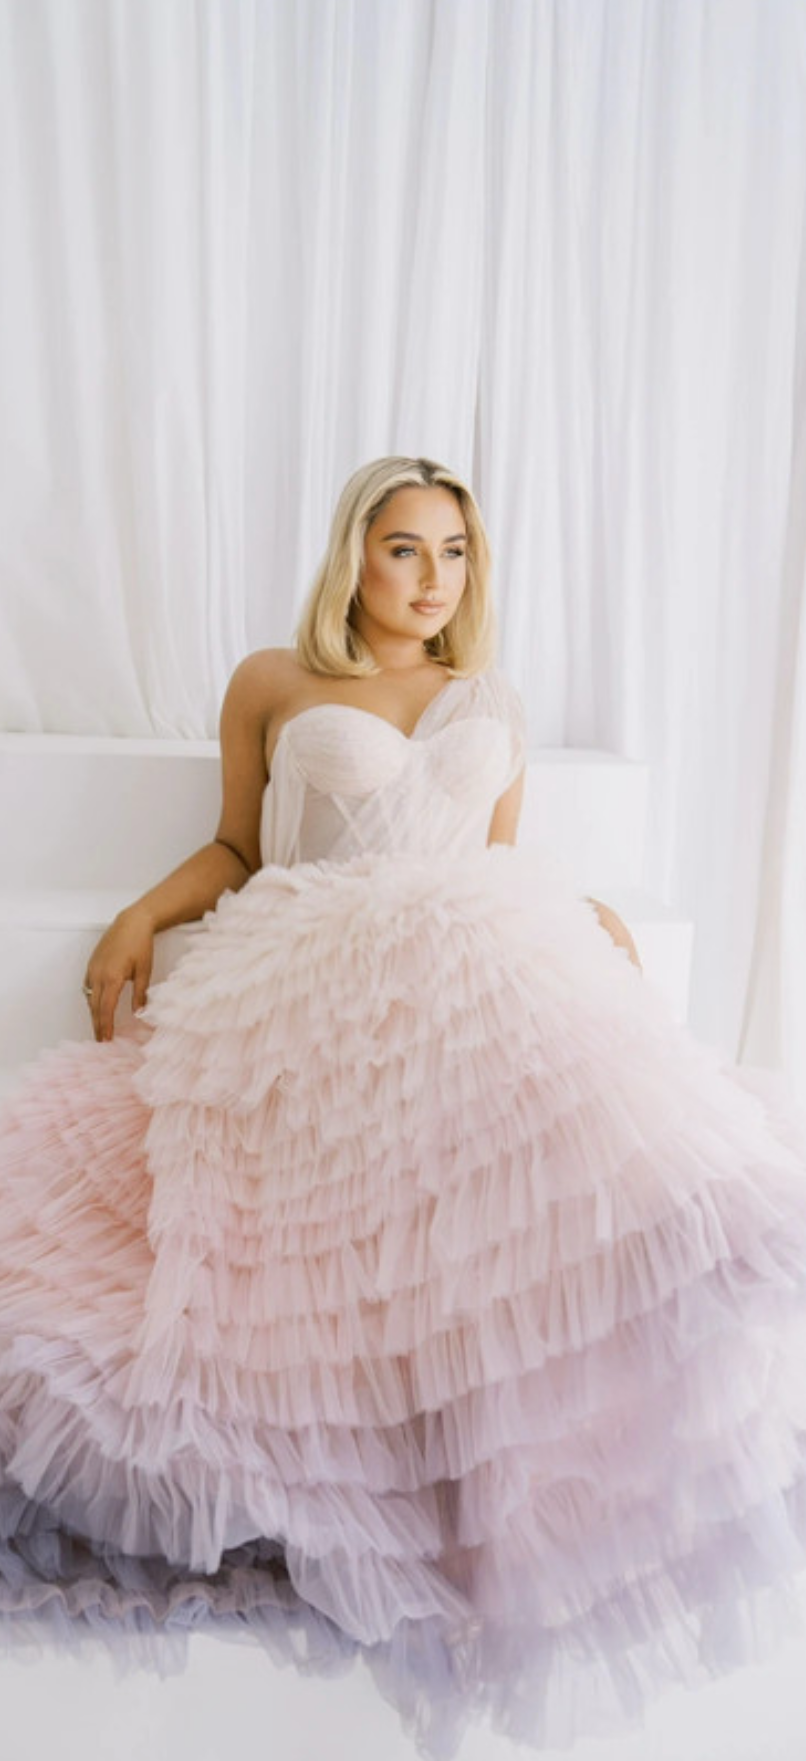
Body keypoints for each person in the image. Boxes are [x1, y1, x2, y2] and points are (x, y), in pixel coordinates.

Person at [1, 453, 806, 1760]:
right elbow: (245, 848)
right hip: (316, 956)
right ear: (353, 557)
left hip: (472, 943)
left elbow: (486, 859)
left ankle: (537, 1428)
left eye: (455, 556)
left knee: (574, 1136)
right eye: (405, 550)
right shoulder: (275, 681)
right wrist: (145, 912)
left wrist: (571, 907)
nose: (432, 581)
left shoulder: (487, 696)